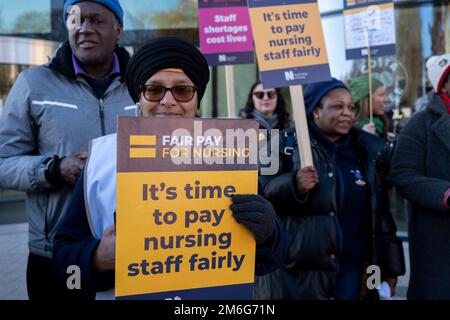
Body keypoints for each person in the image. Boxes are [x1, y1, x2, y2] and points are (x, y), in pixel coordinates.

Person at [53, 36, 288, 299]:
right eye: (154, 90)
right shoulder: (102, 158)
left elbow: (270, 261)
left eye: (182, 90)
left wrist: (269, 235)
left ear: (196, 100)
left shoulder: (229, 156)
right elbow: (64, 262)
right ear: (138, 98)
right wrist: (96, 259)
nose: (167, 101)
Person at [0, 0, 134, 300]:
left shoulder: (142, 86)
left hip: (131, 248)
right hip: (55, 254)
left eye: (96, 20)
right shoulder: (33, 84)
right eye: (75, 20)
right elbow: (2, 163)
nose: (85, 28)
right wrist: (55, 169)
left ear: (118, 29)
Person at [255, 78, 405, 300]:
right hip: (300, 278)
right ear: (315, 110)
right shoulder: (282, 145)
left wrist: (391, 269)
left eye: (350, 107)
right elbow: (261, 194)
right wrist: (293, 186)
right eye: (337, 106)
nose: (347, 113)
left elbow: (380, 214)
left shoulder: (367, 151)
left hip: (358, 274)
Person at [390, 53, 450, 299]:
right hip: (439, 240)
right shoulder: (420, 123)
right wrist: (444, 193)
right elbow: (402, 175)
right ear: (443, 84)